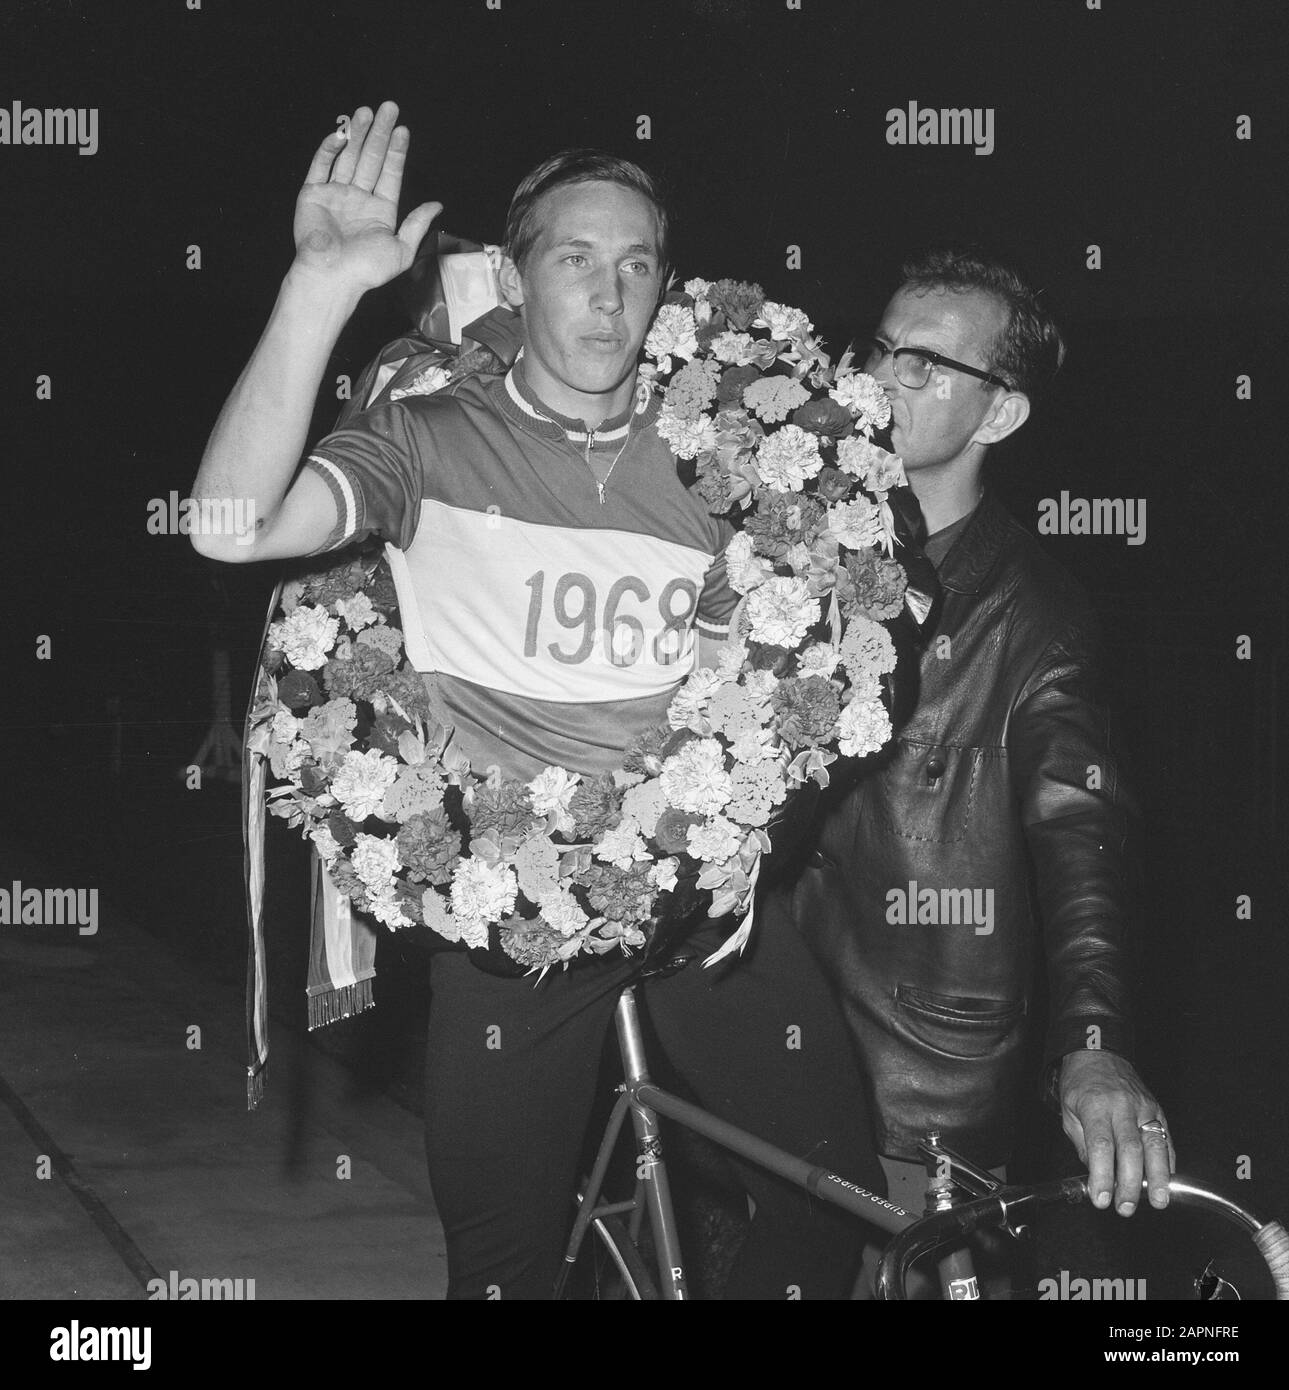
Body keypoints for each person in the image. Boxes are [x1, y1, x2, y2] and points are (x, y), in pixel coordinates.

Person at [191, 101, 884, 1299]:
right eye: (575, 260)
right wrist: (316, 287)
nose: (609, 299)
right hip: (515, 936)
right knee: (502, 1271)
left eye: (635, 266)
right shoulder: (426, 440)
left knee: (832, 1204)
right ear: (513, 277)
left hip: (705, 917)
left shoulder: (719, 452)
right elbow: (227, 528)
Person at [764, 248, 1173, 1290]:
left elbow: (1078, 840)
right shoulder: (788, 552)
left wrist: (1091, 1043)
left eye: (924, 366)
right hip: (757, 1037)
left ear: (998, 415)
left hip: (915, 1084)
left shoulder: (1037, 619)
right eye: (879, 349)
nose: (878, 380)